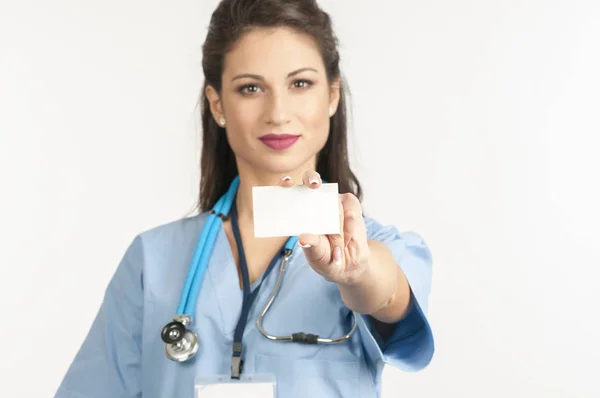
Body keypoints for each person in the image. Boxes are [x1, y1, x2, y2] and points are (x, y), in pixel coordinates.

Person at [55, 0, 434, 397]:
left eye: (300, 83)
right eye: (251, 88)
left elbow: (387, 294)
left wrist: (356, 273)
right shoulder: (153, 259)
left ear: (332, 95)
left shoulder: (378, 249)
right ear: (218, 103)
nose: (277, 112)